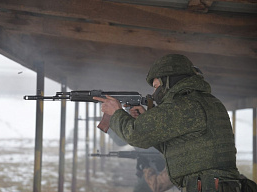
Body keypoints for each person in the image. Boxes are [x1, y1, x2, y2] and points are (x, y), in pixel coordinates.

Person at [93, 54, 242, 192]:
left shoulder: (184, 104)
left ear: (170, 81)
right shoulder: (203, 101)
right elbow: (175, 146)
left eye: (157, 87)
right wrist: (148, 121)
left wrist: (116, 113)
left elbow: (135, 135)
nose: (154, 93)